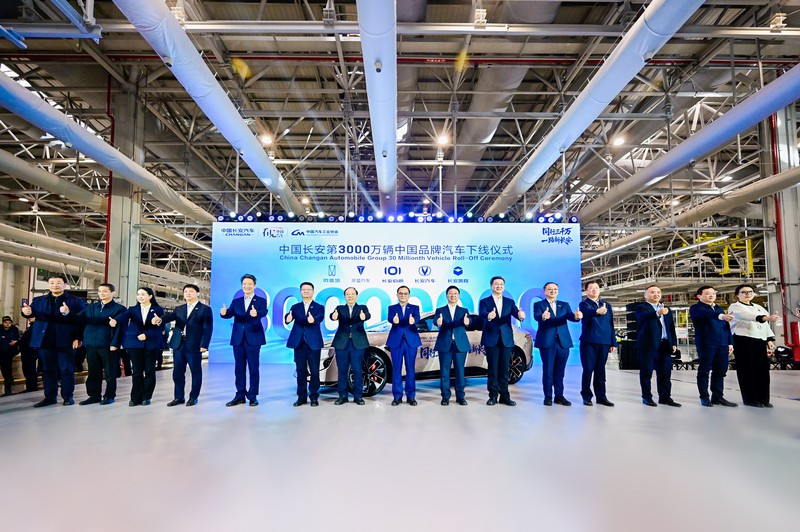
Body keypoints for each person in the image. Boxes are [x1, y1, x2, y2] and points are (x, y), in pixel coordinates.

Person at [22, 274, 85, 407]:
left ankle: (67, 397)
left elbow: (81, 320)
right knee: (47, 370)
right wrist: (26, 312)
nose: (55, 285)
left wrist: (78, 337)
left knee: (66, 369)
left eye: (58, 283)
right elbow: (31, 313)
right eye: (52, 283)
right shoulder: (39, 300)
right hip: (45, 340)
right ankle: (50, 397)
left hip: (66, 340)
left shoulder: (75, 301)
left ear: (65, 285)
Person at [64, 283, 127, 405]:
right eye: (99, 291)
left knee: (110, 372)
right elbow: (77, 319)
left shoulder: (119, 309)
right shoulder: (91, 307)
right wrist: (67, 313)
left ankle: (109, 395)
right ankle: (94, 395)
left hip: (108, 344)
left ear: (113, 293)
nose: (101, 293)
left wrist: (116, 343)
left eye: (105, 291)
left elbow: (121, 328)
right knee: (93, 372)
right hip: (91, 343)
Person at [157, 284, 213, 407]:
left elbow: (207, 328)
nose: (188, 293)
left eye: (191, 291)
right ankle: (178, 397)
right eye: (186, 291)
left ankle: (193, 397)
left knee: (195, 372)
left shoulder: (205, 309)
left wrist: (204, 344)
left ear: (197, 293)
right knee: (177, 372)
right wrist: (159, 320)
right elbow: (169, 317)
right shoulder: (179, 308)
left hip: (194, 345)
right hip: (179, 344)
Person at [110, 287, 165, 407]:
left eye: (143, 294)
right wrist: (115, 321)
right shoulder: (132, 309)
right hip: (135, 344)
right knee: (137, 371)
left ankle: (146, 397)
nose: (140, 296)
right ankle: (135, 397)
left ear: (150, 296)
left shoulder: (158, 309)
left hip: (151, 344)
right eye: (138, 294)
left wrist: (147, 334)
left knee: (149, 371)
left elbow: (161, 327)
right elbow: (123, 316)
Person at [220, 274, 267, 407]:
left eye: (249, 284)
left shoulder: (260, 300)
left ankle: (253, 396)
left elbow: (264, 311)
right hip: (238, 338)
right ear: (242, 286)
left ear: (254, 286)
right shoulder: (237, 301)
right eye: (244, 284)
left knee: (253, 368)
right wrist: (224, 313)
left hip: (254, 337)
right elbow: (229, 313)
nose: (247, 286)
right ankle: (240, 395)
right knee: (239, 368)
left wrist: (257, 314)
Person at [728, 284, 778, 408]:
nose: (748, 294)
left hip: (759, 340)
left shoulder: (759, 307)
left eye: (750, 292)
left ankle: (764, 399)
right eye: (744, 292)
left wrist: (769, 339)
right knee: (747, 370)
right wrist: (765, 317)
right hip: (743, 340)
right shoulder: (735, 306)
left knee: (762, 370)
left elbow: (765, 325)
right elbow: (746, 316)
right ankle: (750, 399)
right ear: (737, 295)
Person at [533, 282, 582, 406]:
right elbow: (537, 316)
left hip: (563, 342)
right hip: (547, 342)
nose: (552, 291)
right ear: (544, 291)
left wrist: (576, 317)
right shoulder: (539, 304)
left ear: (558, 291)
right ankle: (548, 396)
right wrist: (543, 317)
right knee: (548, 370)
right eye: (550, 289)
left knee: (560, 371)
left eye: (555, 289)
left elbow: (571, 317)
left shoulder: (564, 305)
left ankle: (559, 396)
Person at [479, 276, 524, 406]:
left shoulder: (510, 302)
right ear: (491, 286)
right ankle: (493, 396)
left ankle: (505, 396)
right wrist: (488, 316)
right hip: (491, 338)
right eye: (496, 284)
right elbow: (481, 313)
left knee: (505, 369)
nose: (499, 286)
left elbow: (516, 313)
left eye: (501, 284)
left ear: (504, 286)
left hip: (506, 339)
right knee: (493, 369)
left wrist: (520, 316)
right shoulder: (485, 301)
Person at [689, 286, 736, 407]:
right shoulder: (696, 308)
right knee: (704, 371)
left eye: (713, 293)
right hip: (706, 343)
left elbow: (726, 326)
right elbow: (707, 314)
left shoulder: (718, 308)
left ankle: (718, 397)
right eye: (707, 293)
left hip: (722, 344)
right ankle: (704, 397)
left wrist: (730, 342)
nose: (711, 295)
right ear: (699, 296)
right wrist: (721, 316)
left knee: (720, 371)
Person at [635, 285, 680, 407]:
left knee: (665, 373)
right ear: (645, 295)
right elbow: (642, 317)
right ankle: (647, 397)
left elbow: (671, 327)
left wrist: (673, 343)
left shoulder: (666, 309)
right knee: (646, 372)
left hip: (665, 344)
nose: (656, 294)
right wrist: (657, 313)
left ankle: (665, 397)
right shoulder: (641, 307)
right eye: (652, 292)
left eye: (658, 292)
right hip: (648, 345)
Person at [285, 282, 325, 407]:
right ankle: (301, 398)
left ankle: (314, 397)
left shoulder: (319, 307)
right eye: (304, 289)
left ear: (313, 291)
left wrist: (314, 320)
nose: (306, 291)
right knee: (301, 371)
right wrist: (288, 319)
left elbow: (320, 318)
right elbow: (289, 317)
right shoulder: (295, 307)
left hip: (313, 343)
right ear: (300, 291)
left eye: (309, 289)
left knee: (314, 371)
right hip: (299, 343)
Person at [578, 281, 617, 407]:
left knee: (600, 371)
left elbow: (611, 324)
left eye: (596, 288)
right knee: (588, 370)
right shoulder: (584, 304)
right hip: (589, 342)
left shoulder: (607, 305)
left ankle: (601, 397)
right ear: (586, 291)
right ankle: (586, 396)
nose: (594, 290)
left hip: (604, 342)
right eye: (591, 288)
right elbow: (587, 312)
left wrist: (613, 342)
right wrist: (597, 311)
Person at [330, 287, 371, 405]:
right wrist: (333, 316)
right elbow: (332, 316)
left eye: (352, 294)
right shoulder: (340, 308)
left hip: (358, 343)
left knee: (357, 370)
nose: (350, 296)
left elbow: (367, 315)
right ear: (345, 296)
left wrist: (364, 317)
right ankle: (342, 396)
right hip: (342, 343)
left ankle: (358, 396)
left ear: (356, 296)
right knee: (342, 370)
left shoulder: (362, 308)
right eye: (348, 294)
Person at [433, 285, 472, 406]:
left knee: (460, 372)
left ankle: (460, 397)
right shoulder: (440, 310)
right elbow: (435, 320)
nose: (453, 295)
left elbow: (469, 321)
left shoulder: (464, 310)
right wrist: (438, 322)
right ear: (446, 295)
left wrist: (468, 322)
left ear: (458, 296)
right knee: (444, 372)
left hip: (460, 345)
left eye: (455, 293)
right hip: (445, 344)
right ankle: (445, 397)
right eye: (450, 293)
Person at [386, 285, 422, 406]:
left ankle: (411, 397)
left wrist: (413, 321)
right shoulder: (392, 308)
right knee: (396, 369)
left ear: (409, 295)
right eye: (400, 293)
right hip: (396, 341)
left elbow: (417, 318)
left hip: (410, 341)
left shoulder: (415, 308)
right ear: (397, 295)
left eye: (405, 293)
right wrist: (394, 320)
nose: (403, 295)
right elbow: (390, 318)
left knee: (410, 369)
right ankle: (397, 397)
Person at [0, 316, 20, 396]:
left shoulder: (14, 329)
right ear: (3, 323)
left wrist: (5, 339)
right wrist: (7, 339)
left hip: (9, 352)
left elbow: (16, 339)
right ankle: (8, 380)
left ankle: (8, 387)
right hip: (1, 352)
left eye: (9, 323)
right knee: (4, 368)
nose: (7, 324)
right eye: (6, 322)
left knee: (7, 368)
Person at [18, 318, 39, 393]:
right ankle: (30, 387)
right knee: (28, 370)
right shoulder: (31, 327)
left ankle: (32, 387)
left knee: (30, 370)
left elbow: (29, 340)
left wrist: (18, 343)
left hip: (30, 352)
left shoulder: (35, 327)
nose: (30, 318)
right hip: (27, 352)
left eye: (32, 316)